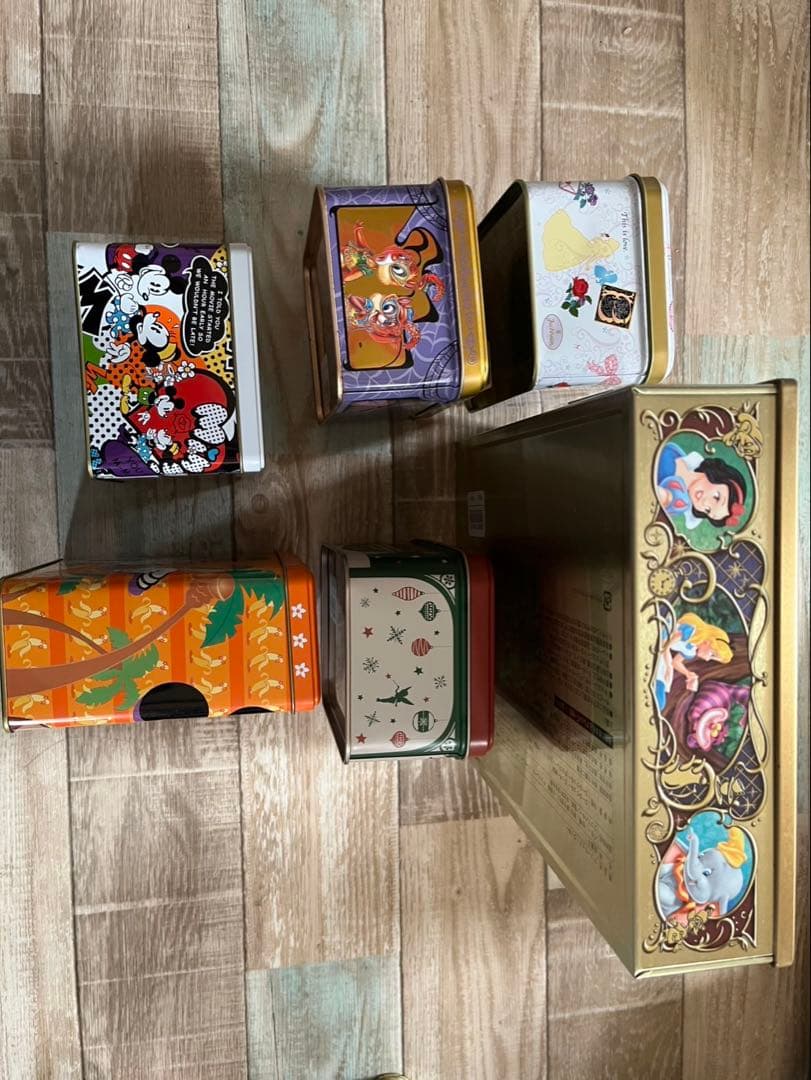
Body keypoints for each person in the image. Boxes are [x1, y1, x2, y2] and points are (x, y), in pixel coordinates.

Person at [657, 440, 747, 530]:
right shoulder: (677, 453)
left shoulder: (678, 499)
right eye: (716, 497)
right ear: (717, 474)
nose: (704, 503)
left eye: (707, 510)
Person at [654, 612, 733, 711]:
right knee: (663, 680)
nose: (707, 659)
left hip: (663, 652)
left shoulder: (691, 651)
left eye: (712, 658)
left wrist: (688, 673)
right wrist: (668, 663)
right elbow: (667, 643)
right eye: (712, 654)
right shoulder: (692, 631)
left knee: (662, 695)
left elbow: (676, 662)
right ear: (709, 642)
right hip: (659, 639)